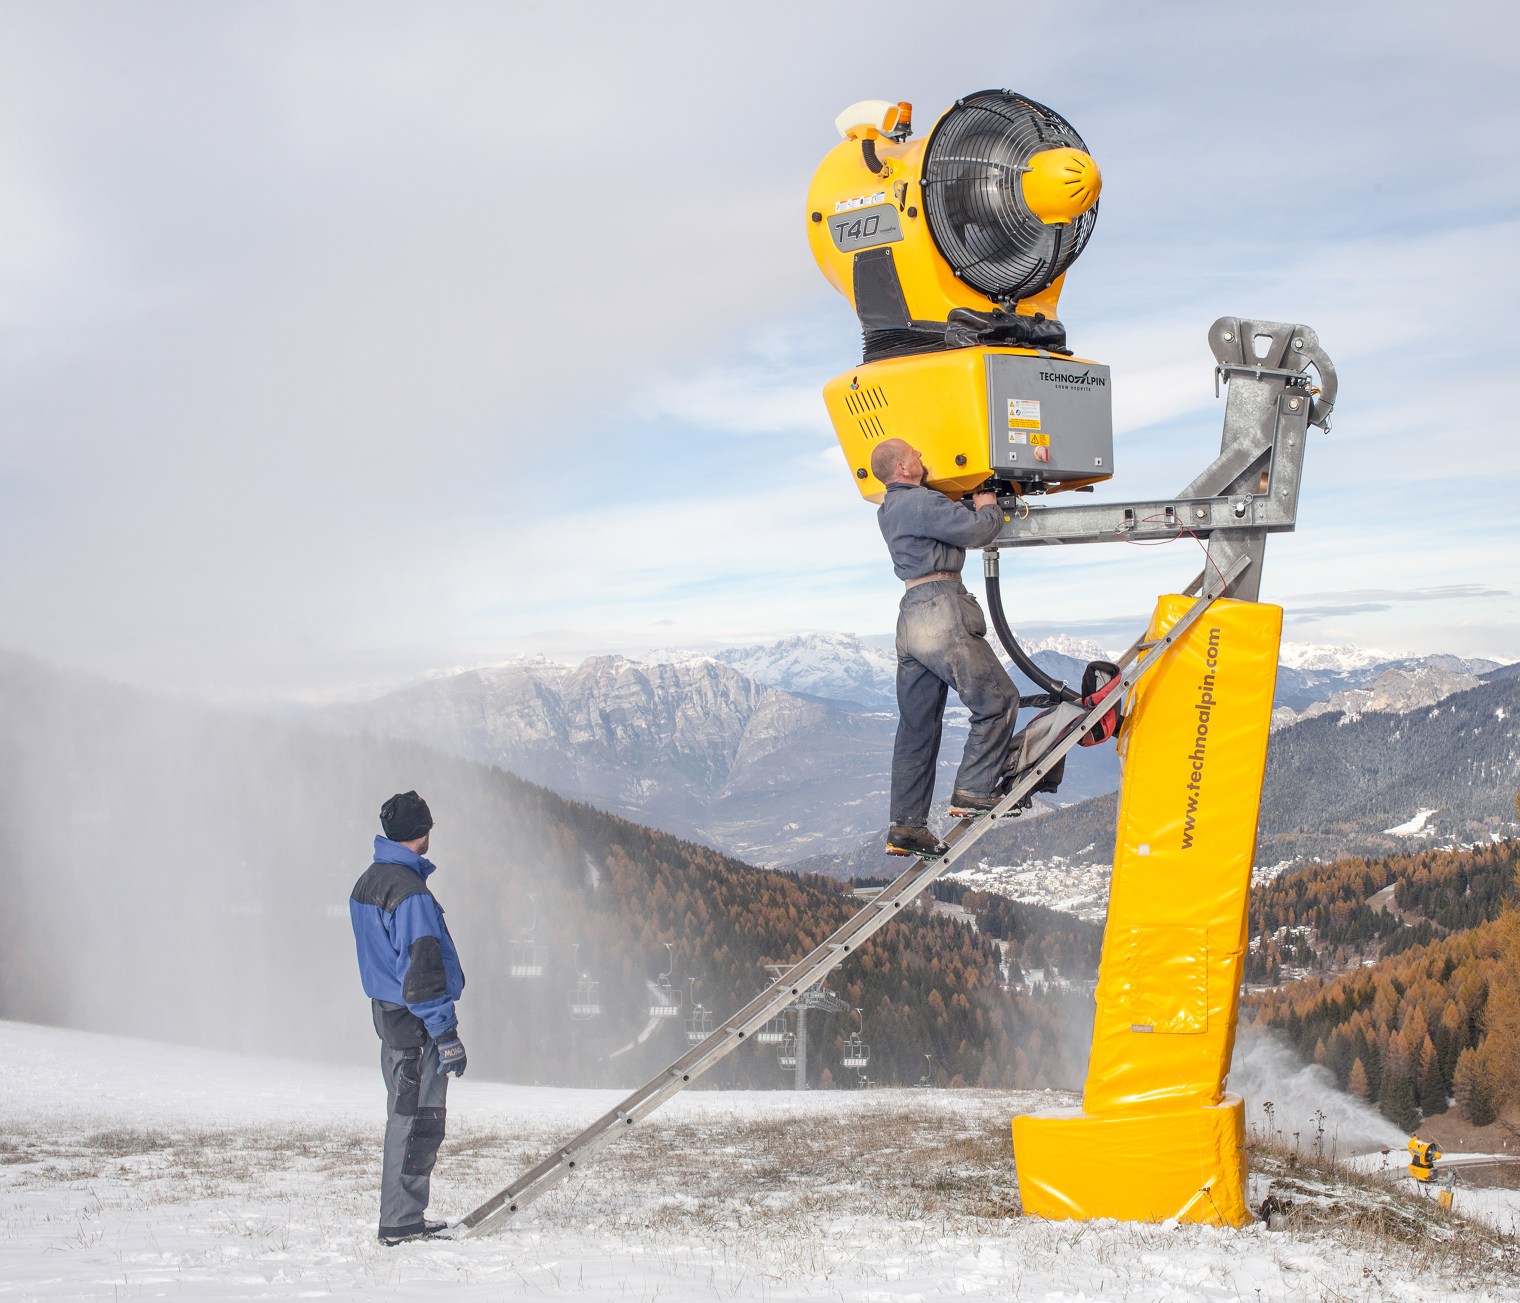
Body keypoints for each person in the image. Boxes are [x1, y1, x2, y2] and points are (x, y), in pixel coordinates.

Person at [869, 438, 1018, 858]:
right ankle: (974, 789)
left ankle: (906, 827)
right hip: (940, 607)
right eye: (915, 453)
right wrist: (988, 504)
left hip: (910, 616)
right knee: (997, 700)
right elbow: (977, 530)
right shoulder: (918, 502)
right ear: (902, 468)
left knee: (917, 727)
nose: (921, 455)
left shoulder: (889, 508)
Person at [349, 790, 467, 1245]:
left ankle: (407, 1216)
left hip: (389, 1017)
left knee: (408, 1114)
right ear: (424, 832)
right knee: (417, 1119)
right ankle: (399, 1222)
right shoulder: (411, 893)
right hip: (416, 1024)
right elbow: (421, 974)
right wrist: (446, 1032)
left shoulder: (369, 882)